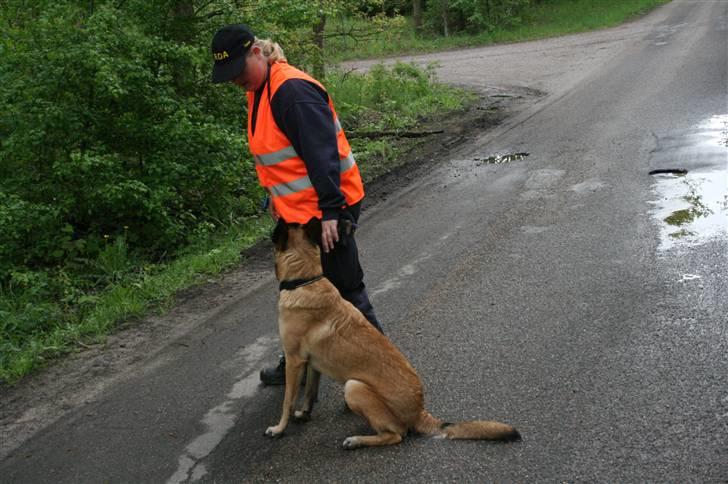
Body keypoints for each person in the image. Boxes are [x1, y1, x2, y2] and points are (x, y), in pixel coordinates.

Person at [211, 24, 384, 385]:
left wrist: (333, 213)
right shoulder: (260, 89)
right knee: (297, 289)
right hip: (299, 213)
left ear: (257, 52)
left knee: (347, 293)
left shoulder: (292, 92)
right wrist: (274, 196)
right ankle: (296, 362)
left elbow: (323, 159)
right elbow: (280, 155)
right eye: (229, 77)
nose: (236, 81)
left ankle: (382, 372)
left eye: (239, 71)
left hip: (326, 212)